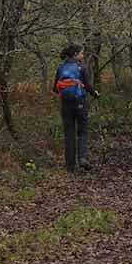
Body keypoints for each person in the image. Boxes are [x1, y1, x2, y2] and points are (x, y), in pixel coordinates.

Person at [53, 44, 98, 172]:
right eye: (81, 53)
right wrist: (95, 93)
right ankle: (83, 158)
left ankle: (70, 166)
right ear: (75, 54)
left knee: (69, 134)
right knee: (82, 131)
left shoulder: (60, 68)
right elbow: (88, 86)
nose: (82, 56)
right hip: (80, 103)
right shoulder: (82, 67)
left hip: (66, 105)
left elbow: (55, 89)